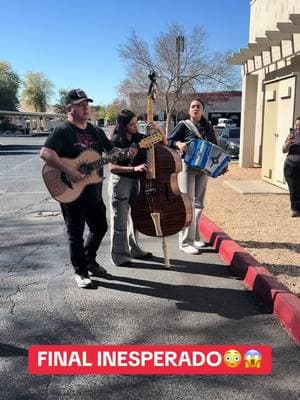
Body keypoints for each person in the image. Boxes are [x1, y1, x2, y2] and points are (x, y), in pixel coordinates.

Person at [40, 89, 133, 288]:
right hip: (70, 190)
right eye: (80, 104)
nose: (85, 107)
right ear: (68, 108)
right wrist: (70, 171)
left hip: (94, 190)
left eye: (87, 104)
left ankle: (89, 260)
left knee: (100, 227)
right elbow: (46, 153)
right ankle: (80, 271)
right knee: (75, 233)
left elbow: (112, 152)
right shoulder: (63, 131)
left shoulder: (95, 131)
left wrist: (127, 152)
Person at [168, 99, 217, 255]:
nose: (195, 109)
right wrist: (179, 144)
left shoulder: (208, 127)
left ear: (203, 110)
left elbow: (215, 147)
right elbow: (169, 141)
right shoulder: (183, 125)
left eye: (198, 106)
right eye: (193, 107)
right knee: (187, 203)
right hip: (188, 167)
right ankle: (184, 242)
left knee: (198, 204)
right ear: (189, 111)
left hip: (204, 169)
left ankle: (194, 237)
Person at [108, 109, 153, 266]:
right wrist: (134, 169)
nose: (135, 126)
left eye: (136, 123)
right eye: (132, 124)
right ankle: (120, 256)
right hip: (120, 182)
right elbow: (112, 168)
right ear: (123, 125)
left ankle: (134, 249)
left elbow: (159, 140)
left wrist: (157, 130)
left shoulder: (139, 138)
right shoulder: (115, 140)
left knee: (135, 218)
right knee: (119, 220)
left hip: (136, 182)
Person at [282, 117, 300, 217]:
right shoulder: (291, 136)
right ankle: (294, 209)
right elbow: (283, 150)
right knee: (293, 188)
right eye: (296, 126)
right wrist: (289, 142)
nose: (298, 128)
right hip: (290, 166)